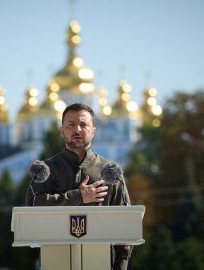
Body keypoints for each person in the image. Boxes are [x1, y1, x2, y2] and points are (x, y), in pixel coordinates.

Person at [26, 103, 132, 270]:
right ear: (62, 131)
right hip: (55, 262)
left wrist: (120, 266)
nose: (77, 130)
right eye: (71, 125)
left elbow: (125, 223)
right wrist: (78, 196)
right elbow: (32, 205)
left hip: (99, 263)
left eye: (84, 125)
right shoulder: (46, 170)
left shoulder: (110, 171)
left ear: (93, 131)